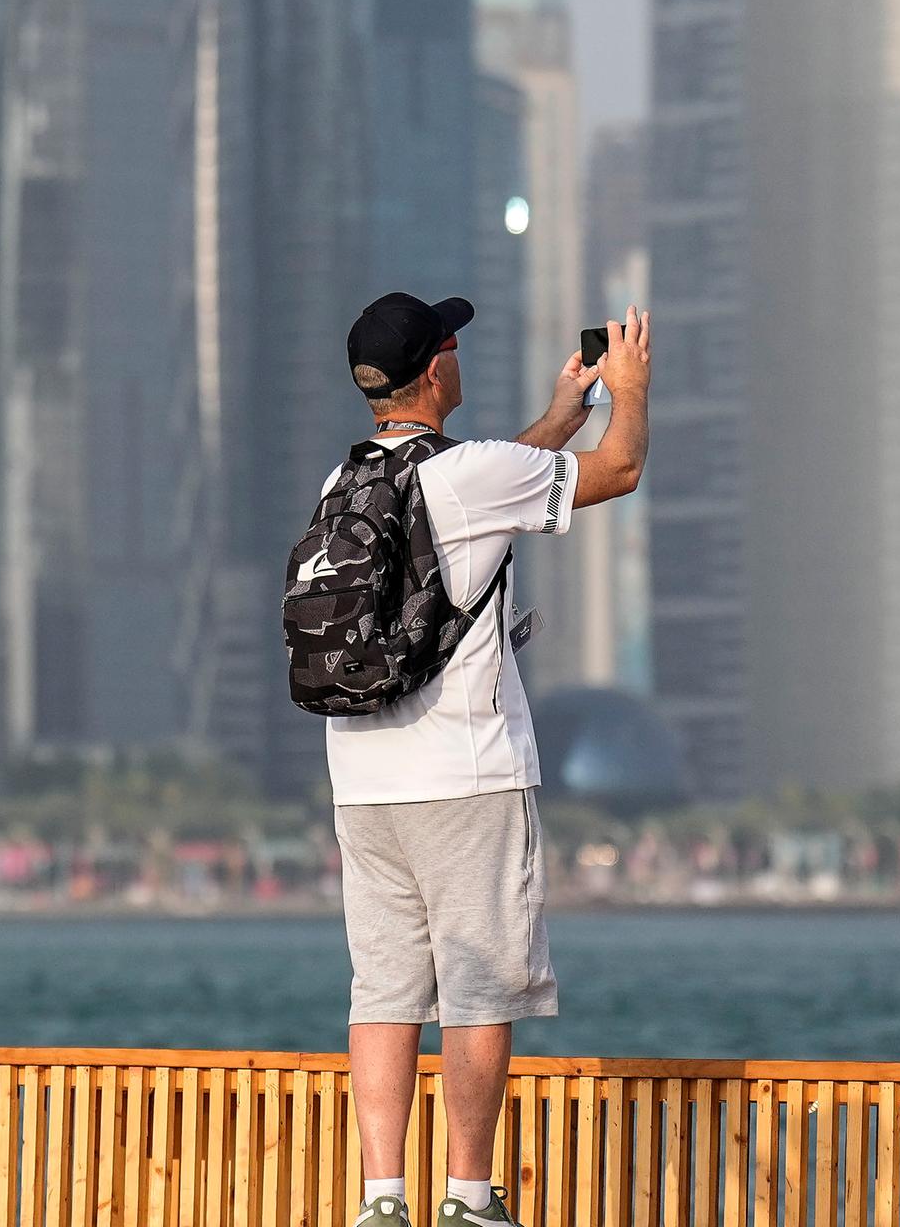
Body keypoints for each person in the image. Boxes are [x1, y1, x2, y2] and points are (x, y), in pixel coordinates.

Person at [322, 291, 650, 1227]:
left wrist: (562, 409)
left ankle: (383, 1199)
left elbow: (490, 488)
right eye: (454, 345)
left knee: (384, 987)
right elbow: (617, 472)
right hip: (464, 775)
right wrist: (625, 392)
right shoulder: (471, 476)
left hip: (364, 779)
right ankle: (469, 1198)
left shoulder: (347, 484)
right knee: (480, 982)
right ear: (437, 370)